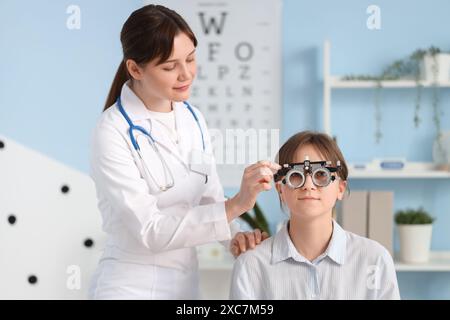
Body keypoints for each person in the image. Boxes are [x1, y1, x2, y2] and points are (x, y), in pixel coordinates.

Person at [88, 4, 279, 299]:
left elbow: (208, 199)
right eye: (169, 66)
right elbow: (150, 230)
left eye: (190, 59)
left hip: (185, 287)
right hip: (130, 286)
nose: (186, 73)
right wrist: (237, 204)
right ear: (135, 68)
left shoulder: (192, 118)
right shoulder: (111, 131)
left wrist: (234, 238)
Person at [230, 131, 400, 300]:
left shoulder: (375, 260)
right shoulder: (252, 265)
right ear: (280, 189)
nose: (309, 185)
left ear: (340, 188)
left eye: (321, 174)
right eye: (296, 176)